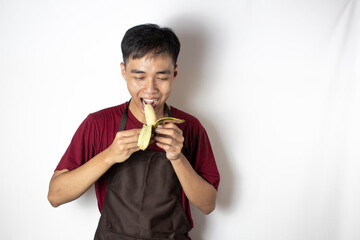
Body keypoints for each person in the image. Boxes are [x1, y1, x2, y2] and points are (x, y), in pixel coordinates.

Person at [47, 23, 220, 240]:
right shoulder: (98, 123)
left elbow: (208, 204)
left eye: (162, 77)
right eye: (139, 76)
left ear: (174, 74)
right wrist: (109, 155)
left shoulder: (190, 127)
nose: (150, 89)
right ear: (124, 72)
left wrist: (177, 158)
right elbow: (55, 195)